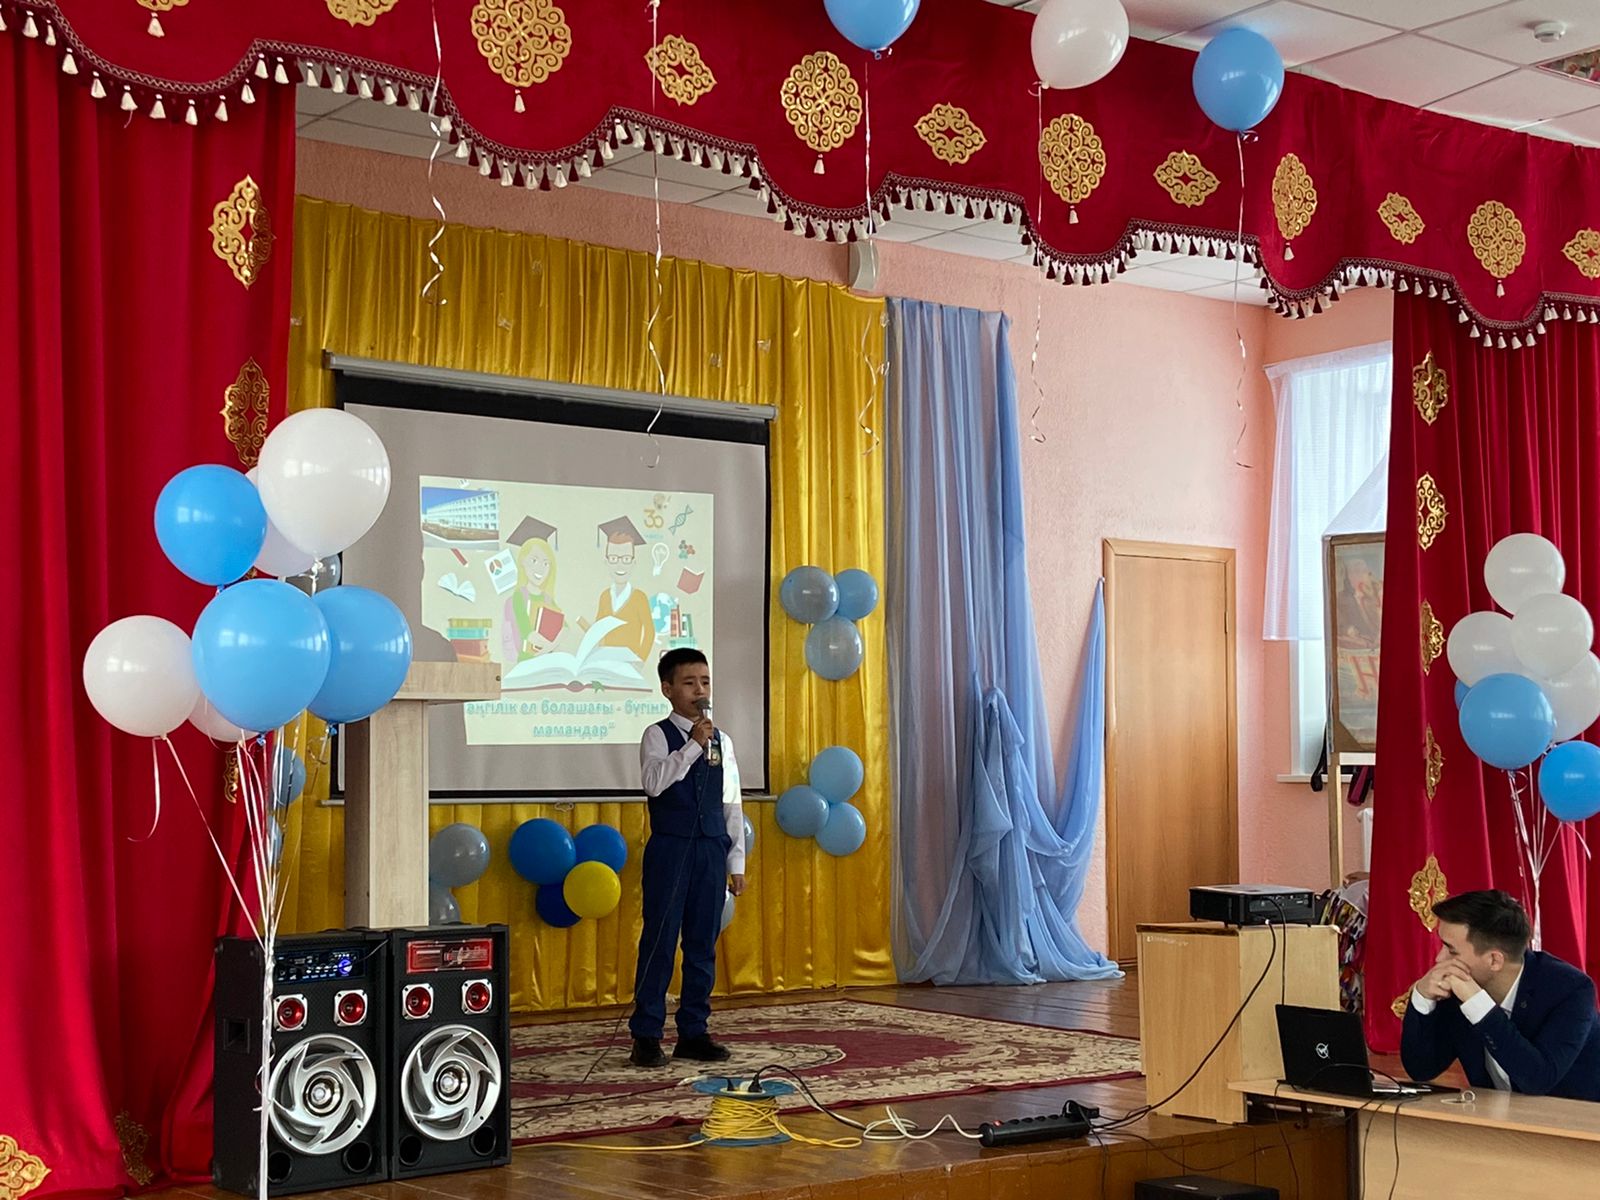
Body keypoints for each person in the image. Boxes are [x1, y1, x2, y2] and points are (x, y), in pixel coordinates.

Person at [629, 648, 745, 1067]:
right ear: (668, 689)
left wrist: (736, 862)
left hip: (710, 848)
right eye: (690, 682)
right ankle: (646, 1034)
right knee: (660, 942)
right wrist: (694, 746)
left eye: (705, 682)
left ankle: (694, 1031)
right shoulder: (657, 735)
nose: (700, 690)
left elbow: (731, 802)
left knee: (702, 944)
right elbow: (654, 783)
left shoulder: (723, 741)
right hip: (671, 848)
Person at [1402, 889, 1600, 1100]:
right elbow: (1421, 1069)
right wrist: (1422, 997)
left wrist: (1478, 1005)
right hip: (1498, 1115)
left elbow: (1537, 1079)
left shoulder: (1571, 990)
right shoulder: (1458, 988)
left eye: (1451, 950)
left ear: (1494, 960)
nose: (1439, 960)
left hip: (1580, 1115)